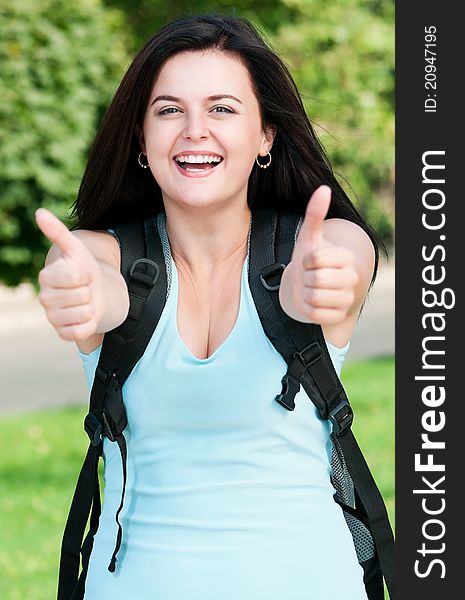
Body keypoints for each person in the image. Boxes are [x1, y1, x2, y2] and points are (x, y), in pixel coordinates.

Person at [35, 13, 386, 600]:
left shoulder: (321, 245)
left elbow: (343, 258)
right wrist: (82, 295)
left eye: (222, 109)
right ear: (143, 140)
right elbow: (90, 277)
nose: (195, 130)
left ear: (266, 135)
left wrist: (320, 285)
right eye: (169, 110)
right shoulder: (102, 256)